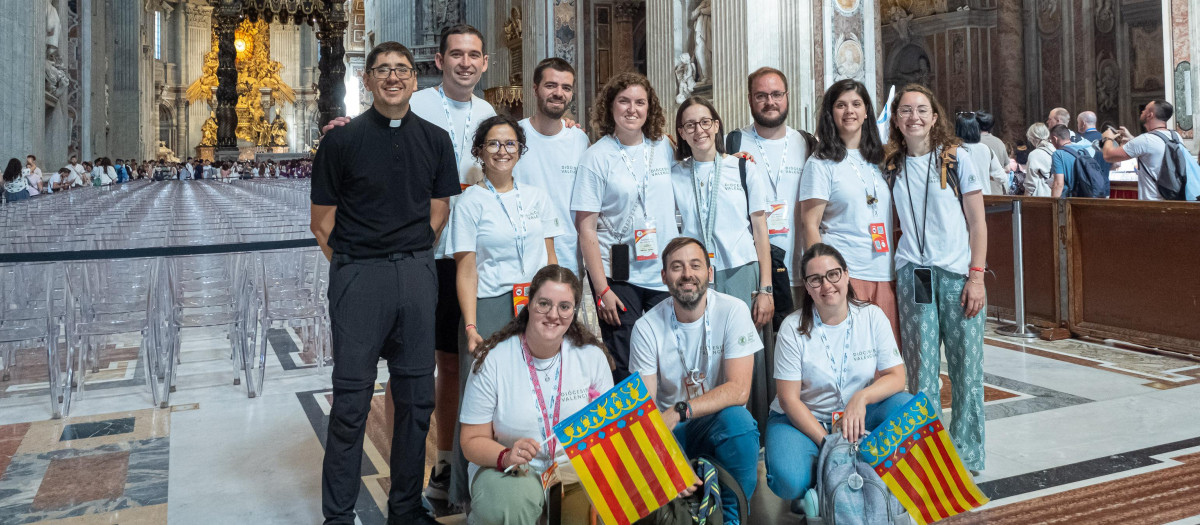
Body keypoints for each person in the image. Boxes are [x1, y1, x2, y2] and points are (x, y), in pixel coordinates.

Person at [308, 41, 459, 525]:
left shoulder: (436, 140)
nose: (393, 77)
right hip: (360, 278)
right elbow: (322, 223)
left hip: (415, 274)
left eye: (402, 70)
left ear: (416, 80)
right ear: (368, 80)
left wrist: (408, 261)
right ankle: (338, 514)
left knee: (417, 400)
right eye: (383, 70)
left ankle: (405, 507)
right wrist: (356, 264)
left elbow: (439, 214)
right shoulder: (340, 142)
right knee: (351, 402)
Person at [458, 265, 614, 525]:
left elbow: (610, 433)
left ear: (573, 311)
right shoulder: (493, 361)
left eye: (564, 307)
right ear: (528, 304)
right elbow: (471, 440)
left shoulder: (591, 358)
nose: (553, 314)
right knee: (507, 505)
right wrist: (504, 455)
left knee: (589, 511)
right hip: (508, 467)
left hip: (571, 470)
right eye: (544, 304)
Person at [884, 83, 988, 472]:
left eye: (922, 110)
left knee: (966, 369)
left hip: (958, 276)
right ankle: (926, 456)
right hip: (914, 274)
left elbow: (978, 223)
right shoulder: (891, 164)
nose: (914, 117)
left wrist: (976, 277)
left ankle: (967, 453)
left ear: (935, 116)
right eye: (906, 110)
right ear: (896, 119)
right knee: (921, 371)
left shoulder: (956, 158)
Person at [763, 243, 911, 506]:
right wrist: (829, 444)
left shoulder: (872, 316)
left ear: (846, 274)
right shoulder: (791, 329)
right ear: (807, 287)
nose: (826, 285)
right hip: (804, 420)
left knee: (908, 406)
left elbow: (897, 377)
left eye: (833, 274)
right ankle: (824, 483)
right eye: (815, 279)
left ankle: (869, 477)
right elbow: (788, 400)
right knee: (788, 479)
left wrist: (861, 399)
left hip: (859, 415)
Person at [628, 236, 761, 525]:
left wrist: (681, 410)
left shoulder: (733, 310)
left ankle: (733, 517)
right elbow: (645, 407)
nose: (687, 274)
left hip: (711, 422)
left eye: (695, 265)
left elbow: (739, 390)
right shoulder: (646, 327)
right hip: (670, 432)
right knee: (637, 449)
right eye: (677, 267)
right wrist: (668, 464)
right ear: (664, 277)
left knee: (739, 421)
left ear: (709, 273)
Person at [572, 71, 679, 382]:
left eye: (640, 102)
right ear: (610, 107)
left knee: (668, 355)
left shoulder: (664, 147)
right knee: (626, 360)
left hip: (662, 271)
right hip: (618, 274)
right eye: (624, 101)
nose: (632, 109)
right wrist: (601, 289)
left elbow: (699, 166)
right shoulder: (596, 157)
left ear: (650, 108)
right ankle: (632, 430)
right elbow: (586, 229)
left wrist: (734, 159)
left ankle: (669, 427)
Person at [799, 79, 899, 341]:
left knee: (884, 362)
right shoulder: (820, 162)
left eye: (856, 104)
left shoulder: (881, 158)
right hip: (844, 274)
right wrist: (822, 278)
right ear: (831, 113)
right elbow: (810, 224)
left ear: (867, 110)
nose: (849, 111)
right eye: (841, 105)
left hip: (883, 271)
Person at [452, 115, 563, 349]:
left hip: (537, 302)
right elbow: (466, 270)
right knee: (490, 380)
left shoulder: (537, 197)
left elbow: (550, 256)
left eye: (510, 144)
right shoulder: (469, 202)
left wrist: (555, 301)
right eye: (493, 143)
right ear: (479, 152)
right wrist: (471, 327)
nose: (503, 151)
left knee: (535, 378)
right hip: (490, 303)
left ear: (519, 151)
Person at [672, 95, 774, 321]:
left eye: (705, 122)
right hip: (694, 273)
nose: (699, 130)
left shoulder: (743, 167)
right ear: (682, 133)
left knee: (743, 346)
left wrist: (766, 288)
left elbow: (760, 230)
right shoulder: (675, 174)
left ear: (716, 125)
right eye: (690, 125)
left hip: (740, 268)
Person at [730, 67, 810, 317]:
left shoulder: (807, 143)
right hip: (753, 275)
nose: (770, 102)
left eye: (776, 94)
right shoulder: (732, 143)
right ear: (750, 99)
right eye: (761, 96)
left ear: (787, 96)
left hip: (800, 272)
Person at [514, 58, 591, 278]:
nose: (559, 93)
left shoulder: (580, 140)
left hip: (567, 257)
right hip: (521, 255)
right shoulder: (513, 136)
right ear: (535, 89)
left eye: (566, 88)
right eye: (551, 85)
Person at [1101, 99, 1180, 201]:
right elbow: (1153, 147)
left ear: (1150, 115)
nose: (1142, 111)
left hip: (1152, 201)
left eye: (1145, 109)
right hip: (1173, 198)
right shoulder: (1176, 136)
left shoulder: (1144, 140)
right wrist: (1133, 139)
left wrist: (1108, 138)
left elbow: (1108, 156)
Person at [955, 112, 1008, 195]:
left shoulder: (954, 149)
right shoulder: (986, 149)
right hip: (983, 198)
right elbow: (1002, 178)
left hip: (961, 199)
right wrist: (986, 175)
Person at [1049, 124, 1099, 198]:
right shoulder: (1083, 150)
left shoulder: (1058, 154)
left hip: (1069, 199)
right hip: (1086, 196)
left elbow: (1058, 184)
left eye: (1051, 140)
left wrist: (1053, 205)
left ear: (1055, 139)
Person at [1024, 123, 1054, 197]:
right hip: (1056, 192)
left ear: (1031, 138)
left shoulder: (1035, 154)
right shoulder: (1055, 149)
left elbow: (1030, 182)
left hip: (1042, 194)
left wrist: (1025, 199)